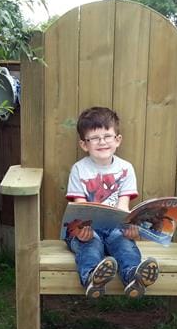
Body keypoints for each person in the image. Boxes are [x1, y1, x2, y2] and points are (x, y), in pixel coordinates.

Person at [64, 106, 159, 299]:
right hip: (85, 233)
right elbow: (80, 207)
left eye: (107, 136)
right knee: (91, 244)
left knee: (124, 242)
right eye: (94, 138)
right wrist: (82, 231)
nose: (102, 142)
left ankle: (134, 277)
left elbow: (123, 206)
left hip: (114, 229)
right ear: (84, 144)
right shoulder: (79, 170)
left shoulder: (126, 168)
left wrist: (130, 228)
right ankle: (92, 279)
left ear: (117, 140)